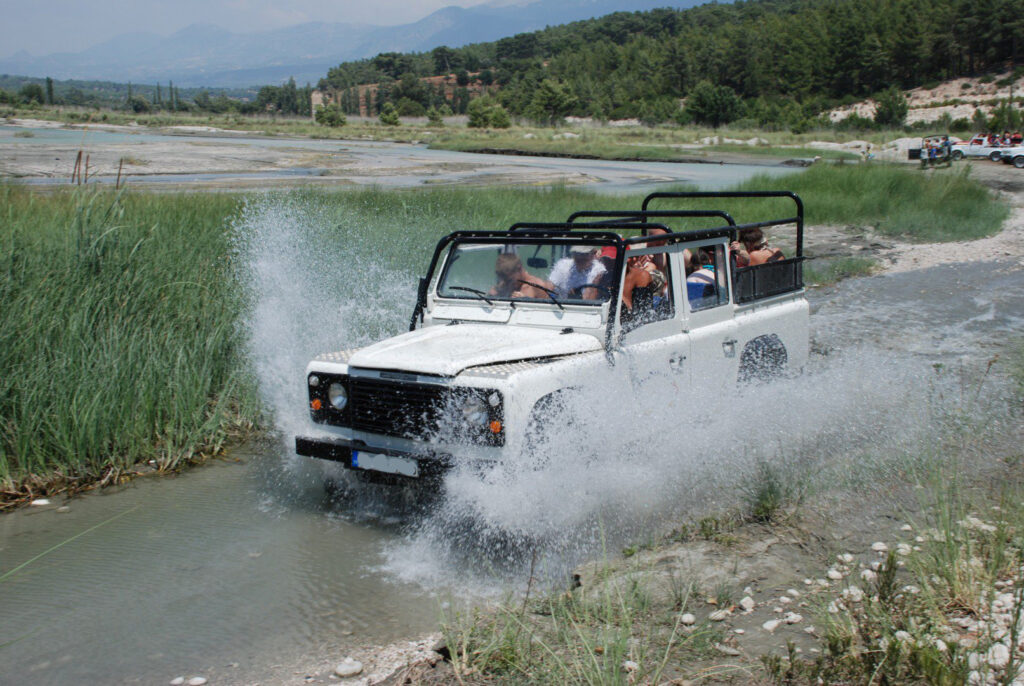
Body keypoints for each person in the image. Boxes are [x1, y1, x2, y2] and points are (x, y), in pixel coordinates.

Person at [489, 253, 554, 300]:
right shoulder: (504, 284)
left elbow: (546, 315)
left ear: (519, 269)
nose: (508, 284)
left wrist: (526, 301)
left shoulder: (537, 286)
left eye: (510, 280)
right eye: (504, 280)